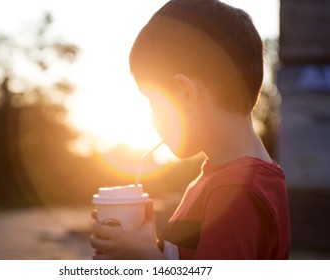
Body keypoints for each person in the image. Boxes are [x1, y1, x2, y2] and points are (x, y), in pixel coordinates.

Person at [90, 0, 291, 260]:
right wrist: (147, 244)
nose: (152, 120)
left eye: (153, 101)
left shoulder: (236, 194)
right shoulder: (216, 180)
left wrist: (146, 258)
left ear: (184, 93)